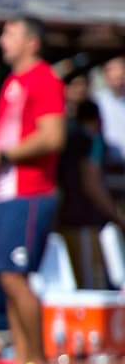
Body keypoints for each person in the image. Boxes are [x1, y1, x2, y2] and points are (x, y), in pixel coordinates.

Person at [0, 16, 65, 364]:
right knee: (8, 278)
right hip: (9, 192)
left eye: (10, 33)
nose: (1, 40)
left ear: (32, 43)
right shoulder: (12, 83)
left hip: (31, 190)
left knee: (15, 277)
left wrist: (2, 155)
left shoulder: (43, 80)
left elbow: (52, 137)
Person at [57, 96, 125, 287]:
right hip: (86, 222)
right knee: (91, 286)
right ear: (96, 120)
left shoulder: (68, 138)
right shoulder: (90, 141)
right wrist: (116, 216)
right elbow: (92, 182)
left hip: (66, 220)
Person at [93, 56, 125, 167]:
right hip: (107, 164)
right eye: (112, 69)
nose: (118, 74)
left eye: (121, 68)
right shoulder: (98, 102)